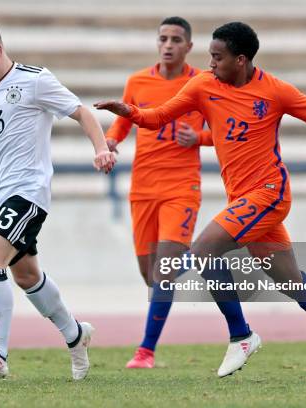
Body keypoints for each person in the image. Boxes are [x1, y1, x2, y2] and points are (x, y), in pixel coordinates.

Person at [96, 21, 306, 381]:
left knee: (203, 251)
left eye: (218, 58)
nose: (210, 64)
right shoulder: (202, 86)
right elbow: (160, 116)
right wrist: (130, 112)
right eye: (210, 57)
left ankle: (241, 335)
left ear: (241, 60)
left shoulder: (275, 91)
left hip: (269, 193)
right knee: (291, 282)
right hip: (243, 199)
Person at [0, 17, 116, 380]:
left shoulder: (35, 80)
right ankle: (75, 335)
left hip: (29, 191)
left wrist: (100, 149)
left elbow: (80, 112)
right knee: (26, 275)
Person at [105, 16, 213, 369]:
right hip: (142, 188)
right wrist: (109, 142)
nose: (168, 44)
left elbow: (226, 130)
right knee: (149, 276)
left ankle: (145, 352)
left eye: (176, 39)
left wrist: (198, 138)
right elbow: (124, 121)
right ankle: (198, 258)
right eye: (163, 38)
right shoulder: (137, 81)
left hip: (182, 187)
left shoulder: (202, 83)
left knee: (163, 272)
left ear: (189, 47)